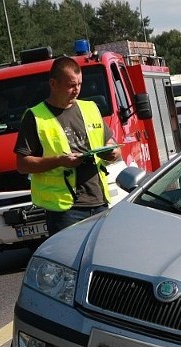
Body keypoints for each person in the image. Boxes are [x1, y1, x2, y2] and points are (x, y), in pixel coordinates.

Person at [14, 56, 121, 236]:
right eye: (71, 85)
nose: (76, 90)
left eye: (79, 84)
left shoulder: (90, 108)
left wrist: (112, 152)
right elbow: (22, 165)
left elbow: (110, 142)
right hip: (65, 210)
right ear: (53, 84)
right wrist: (59, 161)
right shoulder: (35, 117)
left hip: (99, 201)